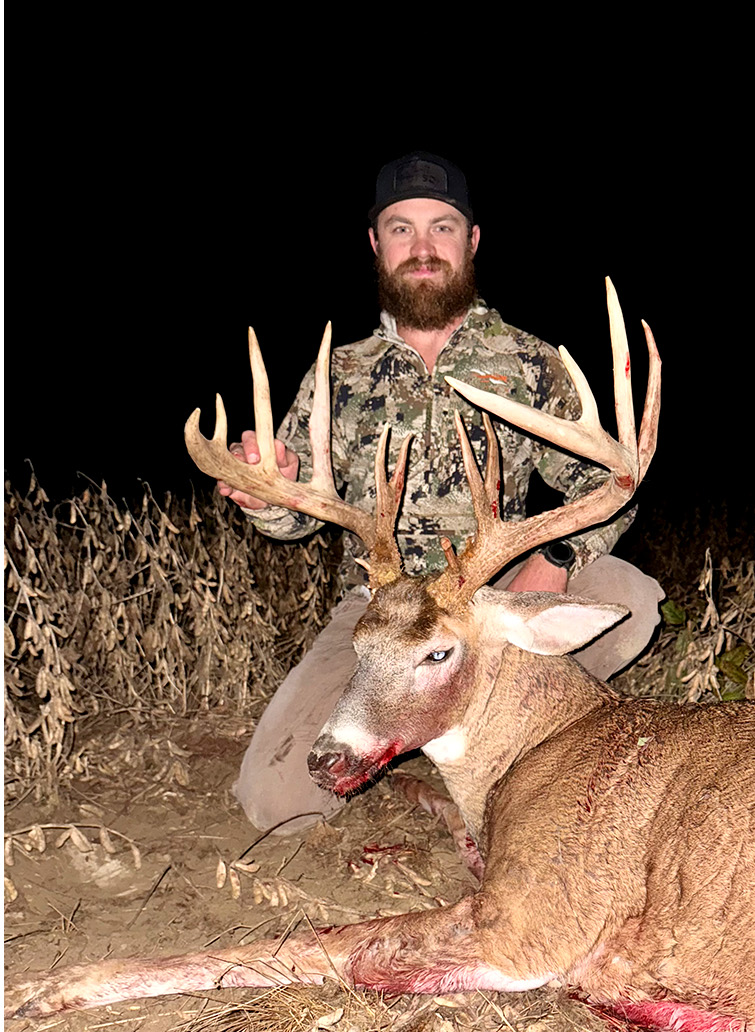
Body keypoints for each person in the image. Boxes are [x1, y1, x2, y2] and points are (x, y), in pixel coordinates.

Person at [218, 154, 664, 835]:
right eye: (401, 229)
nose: (422, 248)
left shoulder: (531, 363)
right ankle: (426, 732)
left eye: (442, 227)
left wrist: (558, 561)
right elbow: (291, 523)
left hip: (487, 598)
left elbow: (609, 488)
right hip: (382, 621)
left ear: (472, 241)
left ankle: (489, 730)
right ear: (376, 244)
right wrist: (269, 497)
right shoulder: (336, 377)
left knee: (629, 601)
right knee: (276, 806)